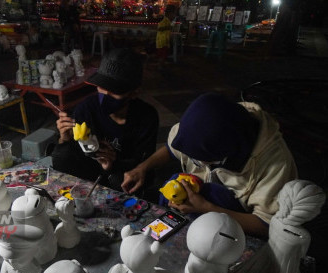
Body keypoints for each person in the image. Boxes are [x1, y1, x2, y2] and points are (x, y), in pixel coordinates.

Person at [122, 93, 298, 237]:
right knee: (173, 188)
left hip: (239, 219)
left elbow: (266, 225)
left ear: (224, 154)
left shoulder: (275, 165)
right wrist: (142, 167)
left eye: (198, 160)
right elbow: (171, 149)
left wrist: (207, 209)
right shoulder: (197, 126)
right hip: (201, 199)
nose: (193, 162)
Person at [51, 48, 159, 193]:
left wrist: (113, 163)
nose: (105, 94)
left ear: (134, 93)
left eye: (114, 90)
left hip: (122, 170)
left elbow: (142, 162)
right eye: (102, 86)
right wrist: (65, 138)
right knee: (61, 154)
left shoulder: (147, 117)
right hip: (92, 167)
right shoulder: (86, 108)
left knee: (122, 181)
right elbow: (72, 152)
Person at [156, 4, 176, 69]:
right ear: (170, 13)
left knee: (163, 55)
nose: (174, 16)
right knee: (162, 55)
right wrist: (168, 27)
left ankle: (161, 65)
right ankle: (160, 66)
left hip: (164, 41)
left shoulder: (167, 20)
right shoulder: (165, 20)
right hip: (162, 42)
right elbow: (159, 28)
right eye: (173, 14)